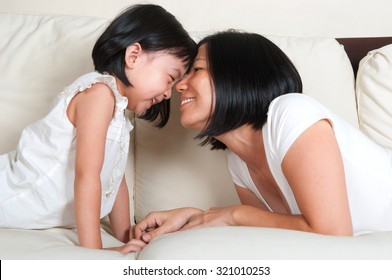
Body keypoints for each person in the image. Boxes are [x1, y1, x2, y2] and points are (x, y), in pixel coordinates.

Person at [134, 30, 392, 244]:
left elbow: (332, 233)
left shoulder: (291, 113)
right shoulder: (238, 160)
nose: (179, 86)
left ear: (237, 75)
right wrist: (197, 217)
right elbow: (271, 232)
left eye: (197, 70)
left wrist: (233, 215)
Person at [0, 4, 196, 253]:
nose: (168, 94)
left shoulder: (119, 115)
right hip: (10, 193)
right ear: (134, 56)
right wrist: (94, 251)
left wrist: (127, 237)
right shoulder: (99, 94)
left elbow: (115, 181)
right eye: (170, 77)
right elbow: (87, 176)